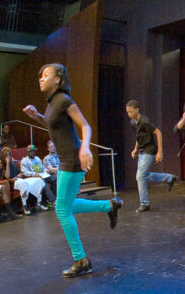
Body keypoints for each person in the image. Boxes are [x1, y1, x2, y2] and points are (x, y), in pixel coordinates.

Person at [23, 63, 122, 278]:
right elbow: (52, 125)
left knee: (61, 210)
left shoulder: (64, 100)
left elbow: (85, 126)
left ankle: (81, 260)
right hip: (67, 158)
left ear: (58, 79)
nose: (41, 78)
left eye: (46, 75)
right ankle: (109, 205)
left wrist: (85, 147)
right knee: (66, 205)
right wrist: (37, 116)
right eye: (40, 75)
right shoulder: (52, 103)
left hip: (72, 159)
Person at [125, 100, 178, 213]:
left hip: (149, 150)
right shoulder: (133, 123)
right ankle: (169, 177)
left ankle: (145, 204)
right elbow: (138, 137)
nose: (129, 114)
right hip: (142, 150)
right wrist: (135, 149)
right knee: (143, 176)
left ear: (137, 110)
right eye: (127, 112)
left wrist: (160, 152)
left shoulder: (145, 121)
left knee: (140, 177)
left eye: (130, 112)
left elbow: (158, 132)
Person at [0, 147, 48, 215]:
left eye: (10, 155)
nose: (9, 157)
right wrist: (7, 163)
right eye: (7, 156)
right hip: (12, 184)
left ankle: (39, 202)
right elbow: (7, 176)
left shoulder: (14, 164)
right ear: (3, 157)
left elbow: (21, 173)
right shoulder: (2, 166)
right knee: (22, 183)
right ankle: (25, 206)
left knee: (38, 180)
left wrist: (18, 176)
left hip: (19, 180)